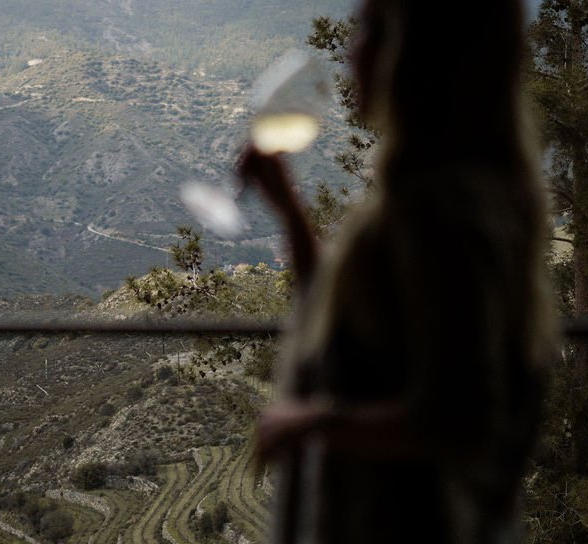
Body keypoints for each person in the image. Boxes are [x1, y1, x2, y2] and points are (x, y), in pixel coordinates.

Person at [237, 1, 558, 542]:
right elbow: (356, 322)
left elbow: (461, 417)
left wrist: (311, 421)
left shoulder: (442, 210)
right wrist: (289, 210)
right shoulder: (443, 192)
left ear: (413, 56)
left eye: (369, 29)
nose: (349, 50)